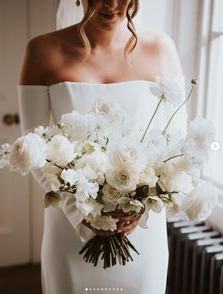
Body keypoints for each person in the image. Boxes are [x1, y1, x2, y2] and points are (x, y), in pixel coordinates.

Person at [18, 0, 187, 293]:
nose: (110, 3)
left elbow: (178, 144)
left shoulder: (162, 48)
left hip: (141, 226)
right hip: (71, 226)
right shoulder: (42, 51)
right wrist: (81, 213)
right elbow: (34, 148)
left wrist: (141, 208)